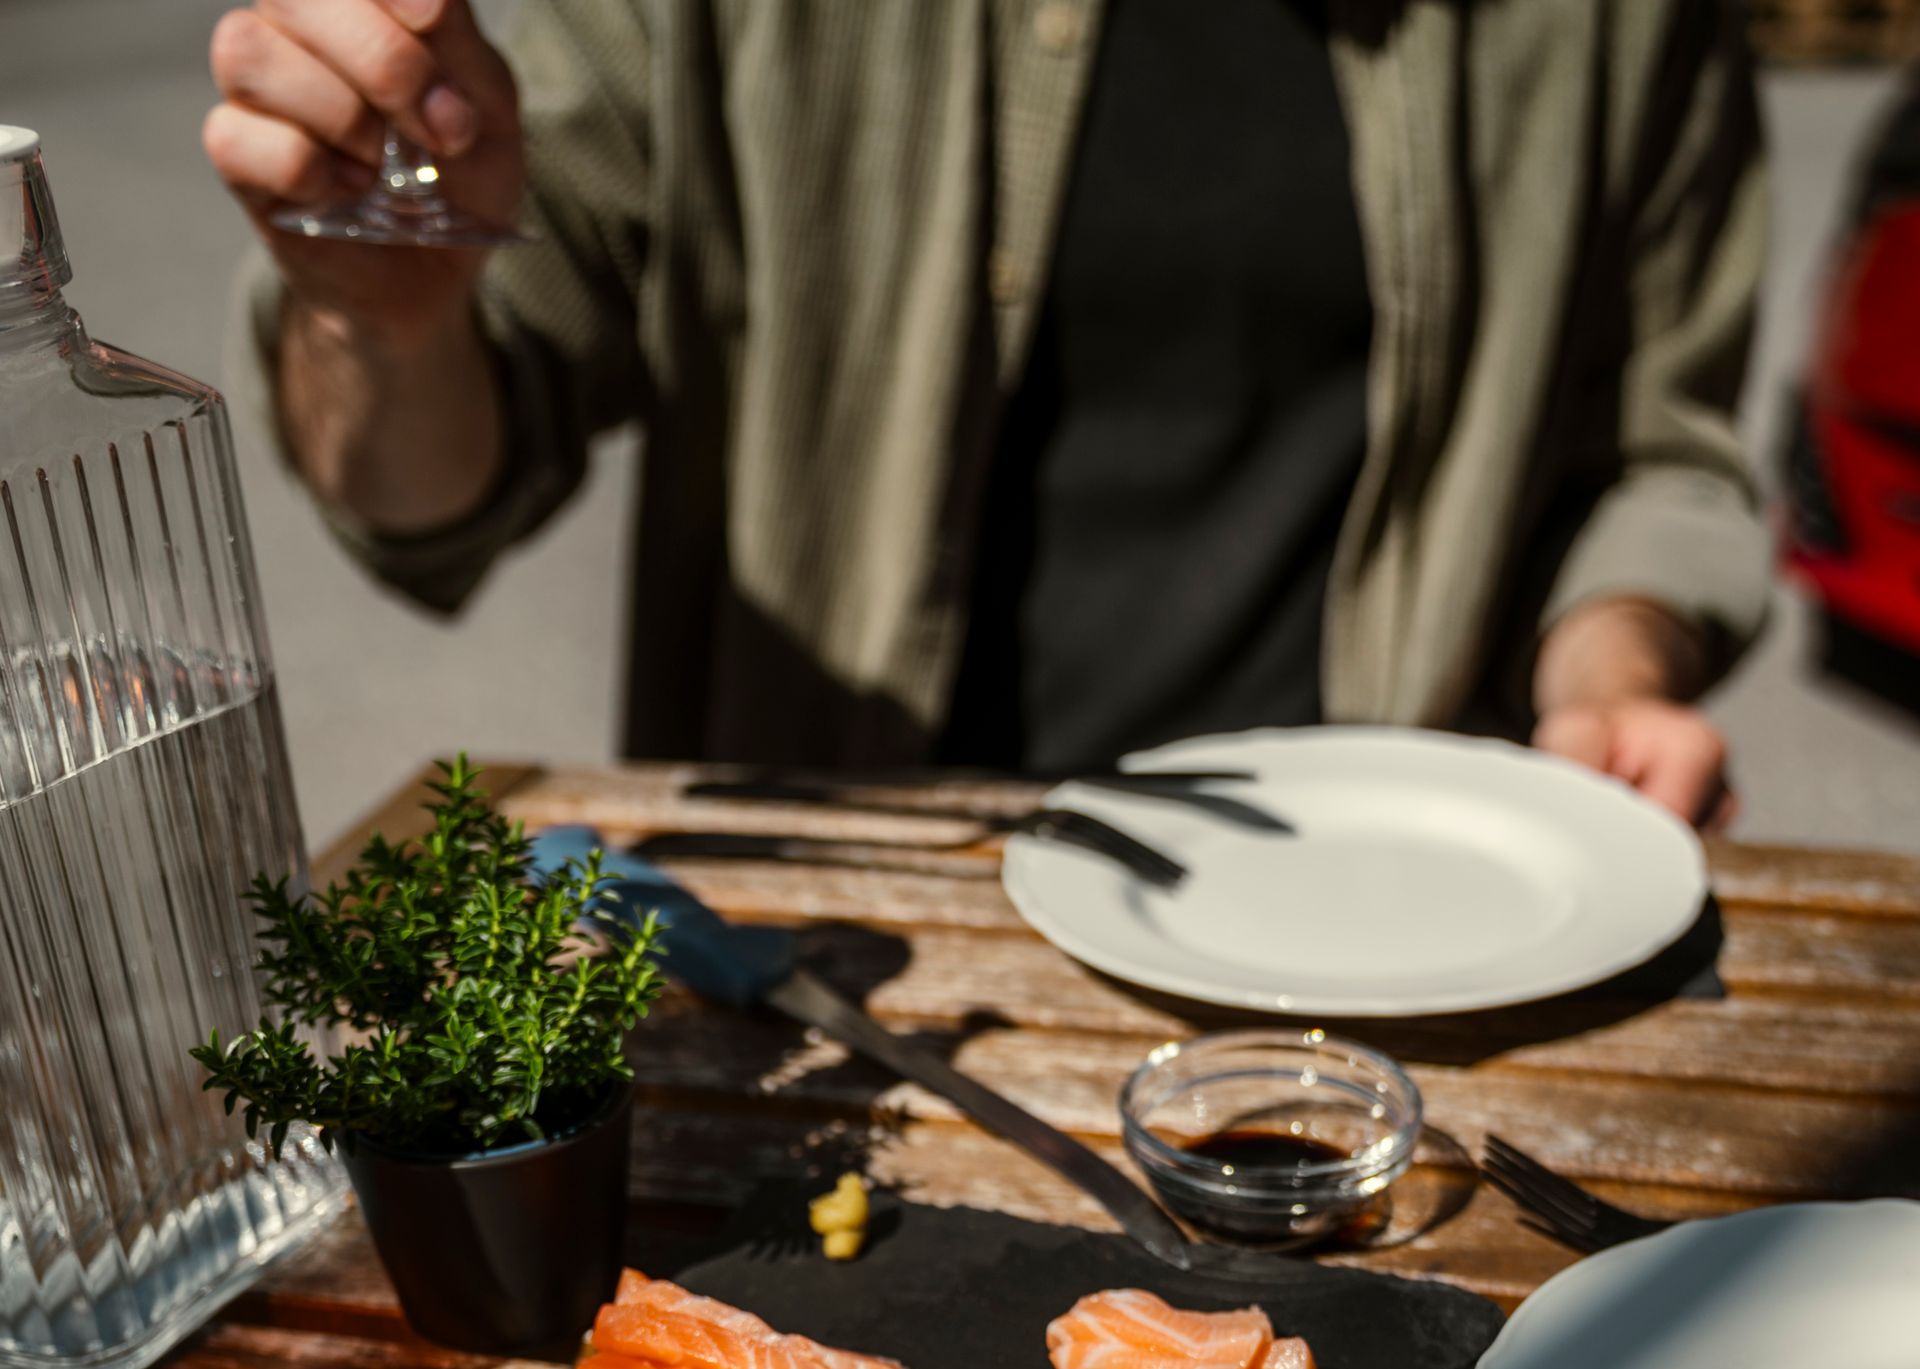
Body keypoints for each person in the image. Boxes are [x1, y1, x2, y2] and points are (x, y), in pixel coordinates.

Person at [205, 0, 1765, 826]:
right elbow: (427, 495)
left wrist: (1611, 672)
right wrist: (379, 315)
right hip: (858, 943)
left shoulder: (1618, 24)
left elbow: (1659, 446)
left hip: (1384, 921)